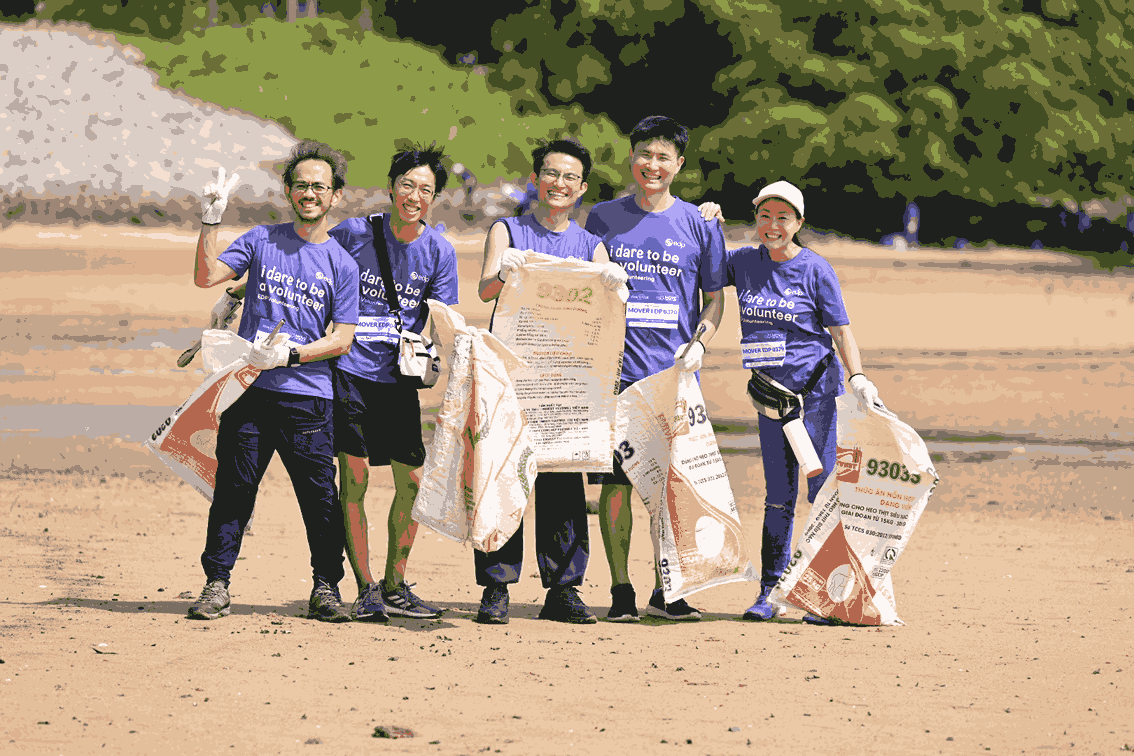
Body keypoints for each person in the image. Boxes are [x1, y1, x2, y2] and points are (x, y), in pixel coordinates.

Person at [187, 140, 360, 622]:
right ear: (288, 190)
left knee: (321, 500)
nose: (310, 193)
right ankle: (216, 585)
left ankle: (326, 588)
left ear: (336, 196)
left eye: (319, 187)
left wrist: (293, 353)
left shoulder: (342, 264)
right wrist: (210, 221)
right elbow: (206, 278)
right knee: (234, 492)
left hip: (309, 400)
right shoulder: (262, 240)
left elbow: (343, 338)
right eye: (301, 184)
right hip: (250, 394)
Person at [473, 138, 627, 625]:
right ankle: (496, 587)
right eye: (551, 174)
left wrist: (614, 286)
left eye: (569, 178)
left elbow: (607, 311)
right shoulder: (508, 229)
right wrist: (506, 270)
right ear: (536, 178)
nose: (558, 184)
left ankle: (564, 588)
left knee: (562, 481)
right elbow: (485, 289)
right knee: (504, 478)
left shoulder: (589, 244)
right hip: (514, 375)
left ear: (581, 188)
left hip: (567, 380)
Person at [583, 116, 728, 622]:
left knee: (673, 489)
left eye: (664, 157)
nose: (653, 165)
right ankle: (621, 589)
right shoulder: (602, 217)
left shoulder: (701, 223)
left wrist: (701, 345)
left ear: (679, 165)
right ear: (632, 157)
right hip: (616, 378)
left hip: (674, 380)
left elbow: (715, 300)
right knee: (618, 487)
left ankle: (669, 590)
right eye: (645, 154)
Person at [723, 180, 882, 622]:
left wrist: (859, 377)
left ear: (798, 223)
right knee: (778, 496)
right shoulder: (744, 262)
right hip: (770, 401)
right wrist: (707, 223)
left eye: (783, 218)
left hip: (815, 397)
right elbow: (699, 270)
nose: (772, 226)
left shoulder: (815, 269)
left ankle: (826, 593)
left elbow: (840, 330)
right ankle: (769, 592)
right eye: (764, 216)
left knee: (823, 492)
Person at [326, 145, 459, 622]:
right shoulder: (353, 232)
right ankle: (364, 589)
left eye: (425, 189)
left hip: (398, 381)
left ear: (435, 197)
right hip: (349, 374)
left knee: (414, 481)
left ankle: (395, 583)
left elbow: (443, 318)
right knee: (355, 479)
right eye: (407, 185)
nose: (414, 195)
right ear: (390, 186)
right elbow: (315, 273)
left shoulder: (440, 250)